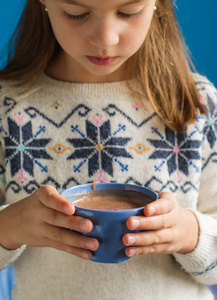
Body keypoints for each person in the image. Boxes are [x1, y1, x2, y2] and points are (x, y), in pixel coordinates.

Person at [0, 0, 217, 299]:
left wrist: (189, 233)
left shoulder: (197, 104)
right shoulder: (7, 107)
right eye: (76, 13)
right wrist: (9, 227)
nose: (106, 39)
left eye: (129, 12)